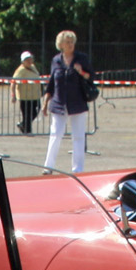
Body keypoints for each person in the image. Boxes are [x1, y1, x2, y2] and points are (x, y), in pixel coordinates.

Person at [44, 30, 91, 173]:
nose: (71, 45)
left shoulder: (81, 58)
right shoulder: (56, 60)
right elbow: (52, 83)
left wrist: (81, 71)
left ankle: (78, 169)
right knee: (55, 135)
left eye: (72, 42)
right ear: (61, 44)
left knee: (78, 137)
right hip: (58, 103)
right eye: (68, 42)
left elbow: (90, 77)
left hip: (77, 103)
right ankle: (48, 167)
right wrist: (45, 102)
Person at [12, 51, 42, 135]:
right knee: (27, 114)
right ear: (23, 61)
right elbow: (13, 82)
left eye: (30, 59)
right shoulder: (20, 70)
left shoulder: (33, 67)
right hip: (25, 96)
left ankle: (23, 124)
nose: (29, 61)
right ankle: (27, 131)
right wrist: (13, 95)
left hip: (35, 95)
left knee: (37, 110)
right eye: (27, 60)